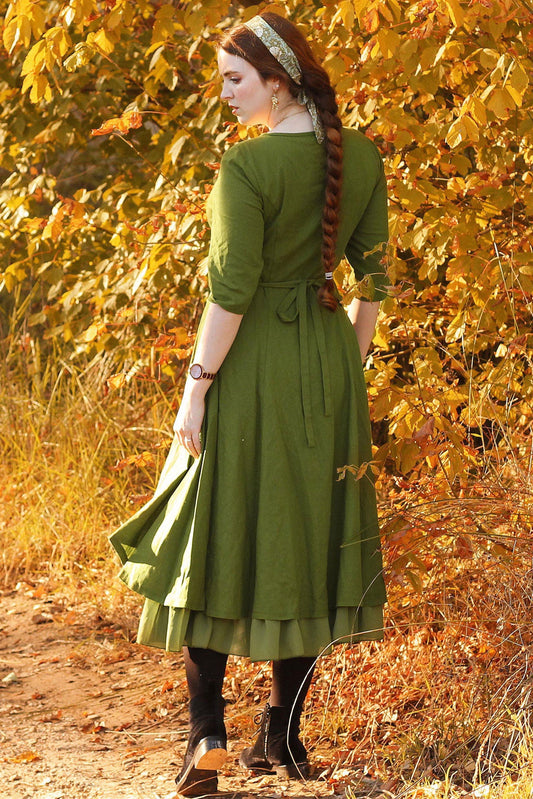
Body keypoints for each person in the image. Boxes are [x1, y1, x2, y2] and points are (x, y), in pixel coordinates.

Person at [109, 10, 389, 797]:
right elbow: (372, 283)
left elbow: (229, 296)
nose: (224, 95)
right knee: (298, 536)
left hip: (247, 362)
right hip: (326, 368)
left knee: (211, 534)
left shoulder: (247, 169)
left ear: (277, 80)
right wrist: (344, 367)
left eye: (234, 80)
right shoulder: (360, 156)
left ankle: (207, 736)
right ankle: (284, 733)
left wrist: (193, 391)